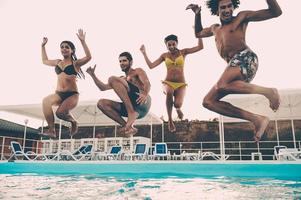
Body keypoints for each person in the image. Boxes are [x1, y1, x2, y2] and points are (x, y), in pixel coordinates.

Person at [186, 0, 282, 142]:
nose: (227, 10)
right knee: (208, 102)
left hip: (246, 58)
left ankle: (269, 92)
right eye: (223, 7)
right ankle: (256, 119)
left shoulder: (241, 18)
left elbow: (275, 12)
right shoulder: (215, 28)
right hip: (233, 66)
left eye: (230, 6)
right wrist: (197, 14)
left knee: (221, 85)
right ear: (217, 10)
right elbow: (199, 33)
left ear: (234, 7)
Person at [140, 34, 203, 132]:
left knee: (177, 104)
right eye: (169, 45)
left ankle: (177, 109)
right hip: (167, 82)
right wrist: (144, 53)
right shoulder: (164, 55)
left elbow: (200, 47)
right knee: (169, 92)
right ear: (166, 45)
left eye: (173, 44)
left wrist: (198, 34)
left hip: (181, 84)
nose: (172, 47)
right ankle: (170, 120)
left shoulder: (183, 52)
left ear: (177, 43)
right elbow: (151, 66)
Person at [86, 52, 151, 136]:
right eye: (120, 61)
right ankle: (128, 127)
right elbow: (103, 88)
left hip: (142, 101)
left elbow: (147, 83)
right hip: (133, 108)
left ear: (130, 62)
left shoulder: (137, 71)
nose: (122, 63)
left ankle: (131, 112)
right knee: (101, 103)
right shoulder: (121, 79)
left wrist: (145, 94)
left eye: (124, 61)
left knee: (112, 79)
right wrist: (93, 75)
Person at [41, 29, 91, 138]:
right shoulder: (57, 62)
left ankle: (73, 122)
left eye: (67, 47)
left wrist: (83, 41)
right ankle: (51, 130)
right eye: (62, 47)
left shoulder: (76, 64)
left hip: (72, 95)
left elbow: (88, 57)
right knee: (45, 101)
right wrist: (43, 46)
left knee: (60, 113)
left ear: (72, 50)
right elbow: (44, 61)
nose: (64, 49)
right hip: (59, 94)